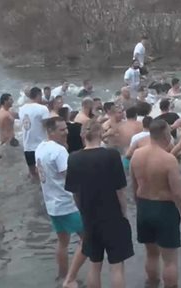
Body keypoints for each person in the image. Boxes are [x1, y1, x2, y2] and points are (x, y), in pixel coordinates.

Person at [64, 120, 134, 288]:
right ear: (101, 134)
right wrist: (124, 213)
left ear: (82, 136)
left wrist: (83, 211)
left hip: (90, 216)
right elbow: (120, 191)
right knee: (117, 266)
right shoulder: (111, 155)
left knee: (95, 264)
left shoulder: (73, 158)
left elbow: (74, 193)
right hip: (112, 215)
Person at [131, 120, 181, 288]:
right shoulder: (168, 159)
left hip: (144, 207)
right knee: (170, 261)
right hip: (164, 209)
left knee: (151, 254)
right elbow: (178, 193)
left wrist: (140, 207)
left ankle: (151, 284)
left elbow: (134, 186)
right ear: (166, 134)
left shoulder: (136, 155)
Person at [35, 117, 85, 282]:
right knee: (88, 239)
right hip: (67, 204)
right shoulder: (59, 151)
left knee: (63, 242)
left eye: (66, 129)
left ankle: (62, 275)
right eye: (62, 130)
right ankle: (71, 277)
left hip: (51, 203)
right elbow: (70, 178)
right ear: (51, 131)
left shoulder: (40, 148)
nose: (66, 132)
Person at [19, 87, 50, 179]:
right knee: (44, 174)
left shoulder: (22, 108)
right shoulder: (43, 109)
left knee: (33, 174)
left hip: (27, 147)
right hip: (41, 146)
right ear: (39, 95)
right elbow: (47, 127)